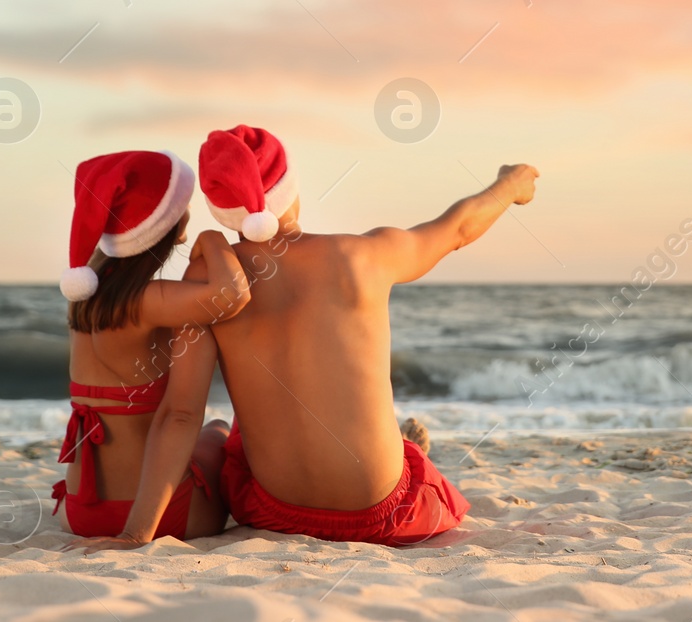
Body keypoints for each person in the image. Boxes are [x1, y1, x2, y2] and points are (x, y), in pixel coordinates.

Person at [68, 125, 537, 551]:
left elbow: (180, 413)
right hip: (380, 511)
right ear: (289, 190)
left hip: (275, 510)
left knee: (231, 439)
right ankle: (403, 447)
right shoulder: (364, 254)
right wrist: (508, 186)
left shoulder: (207, 282)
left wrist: (210, 247)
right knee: (408, 464)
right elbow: (456, 229)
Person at [53, 150, 250, 540]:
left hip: (79, 513)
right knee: (220, 431)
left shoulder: (87, 294)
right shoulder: (147, 301)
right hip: (159, 517)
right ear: (164, 220)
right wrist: (212, 239)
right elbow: (231, 293)